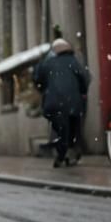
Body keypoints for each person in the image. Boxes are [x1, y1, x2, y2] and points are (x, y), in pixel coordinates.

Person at [33, 39, 91, 168]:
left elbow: (37, 78)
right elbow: (84, 78)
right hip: (73, 103)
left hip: (53, 104)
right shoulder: (74, 62)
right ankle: (70, 152)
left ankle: (61, 154)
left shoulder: (47, 63)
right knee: (72, 129)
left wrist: (44, 90)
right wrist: (82, 92)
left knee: (60, 129)